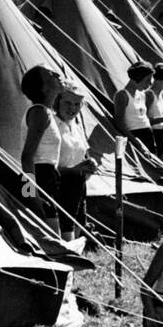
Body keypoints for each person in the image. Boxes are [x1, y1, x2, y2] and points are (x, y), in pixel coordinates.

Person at [19, 64, 65, 233]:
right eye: (52, 74)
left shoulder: (47, 112)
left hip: (48, 176)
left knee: (52, 233)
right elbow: (26, 157)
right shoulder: (39, 113)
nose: (58, 75)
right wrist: (31, 195)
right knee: (52, 235)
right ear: (44, 88)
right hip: (40, 176)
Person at [54, 81, 98, 240]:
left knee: (79, 220)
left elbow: (82, 153)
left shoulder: (75, 126)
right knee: (66, 225)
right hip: (58, 184)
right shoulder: (51, 124)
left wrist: (89, 164)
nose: (72, 108)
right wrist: (75, 169)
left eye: (77, 104)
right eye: (67, 103)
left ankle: (75, 253)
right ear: (57, 102)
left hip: (78, 184)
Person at [114, 62, 156, 152]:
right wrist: (136, 141)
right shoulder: (122, 95)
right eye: (147, 81)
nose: (149, 84)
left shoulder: (142, 95)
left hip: (149, 136)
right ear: (137, 78)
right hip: (135, 136)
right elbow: (119, 122)